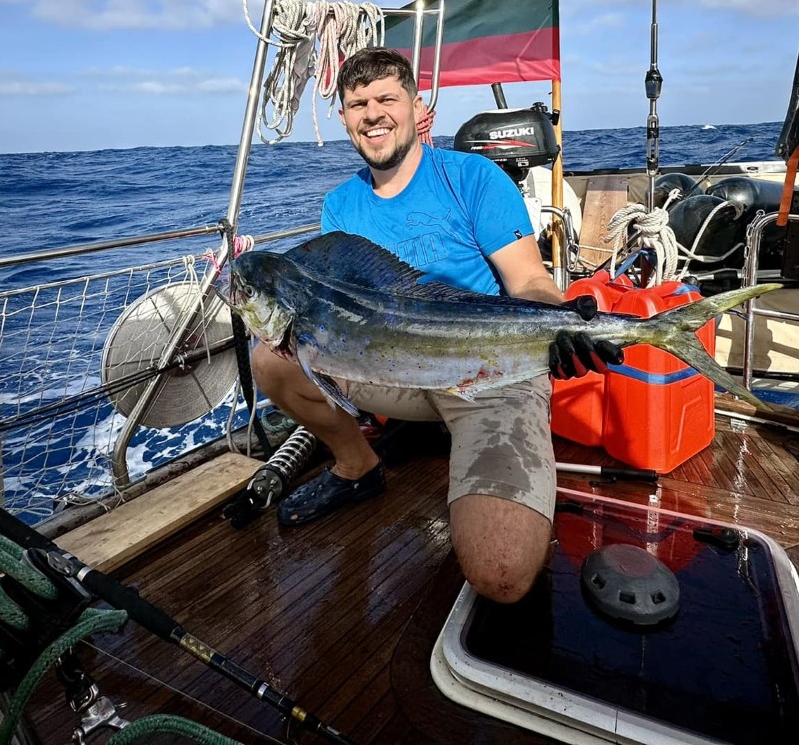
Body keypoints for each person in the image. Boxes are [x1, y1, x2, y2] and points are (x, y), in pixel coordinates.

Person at [249, 47, 622, 604]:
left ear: (417, 107)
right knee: (269, 359)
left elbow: (528, 281)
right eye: (358, 104)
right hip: (389, 367)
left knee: (501, 575)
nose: (373, 114)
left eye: (386, 99)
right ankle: (358, 466)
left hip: (487, 369)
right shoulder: (340, 206)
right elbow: (331, 308)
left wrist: (560, 320)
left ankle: (466, 443)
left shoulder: (474, 177)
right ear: (344, 118)